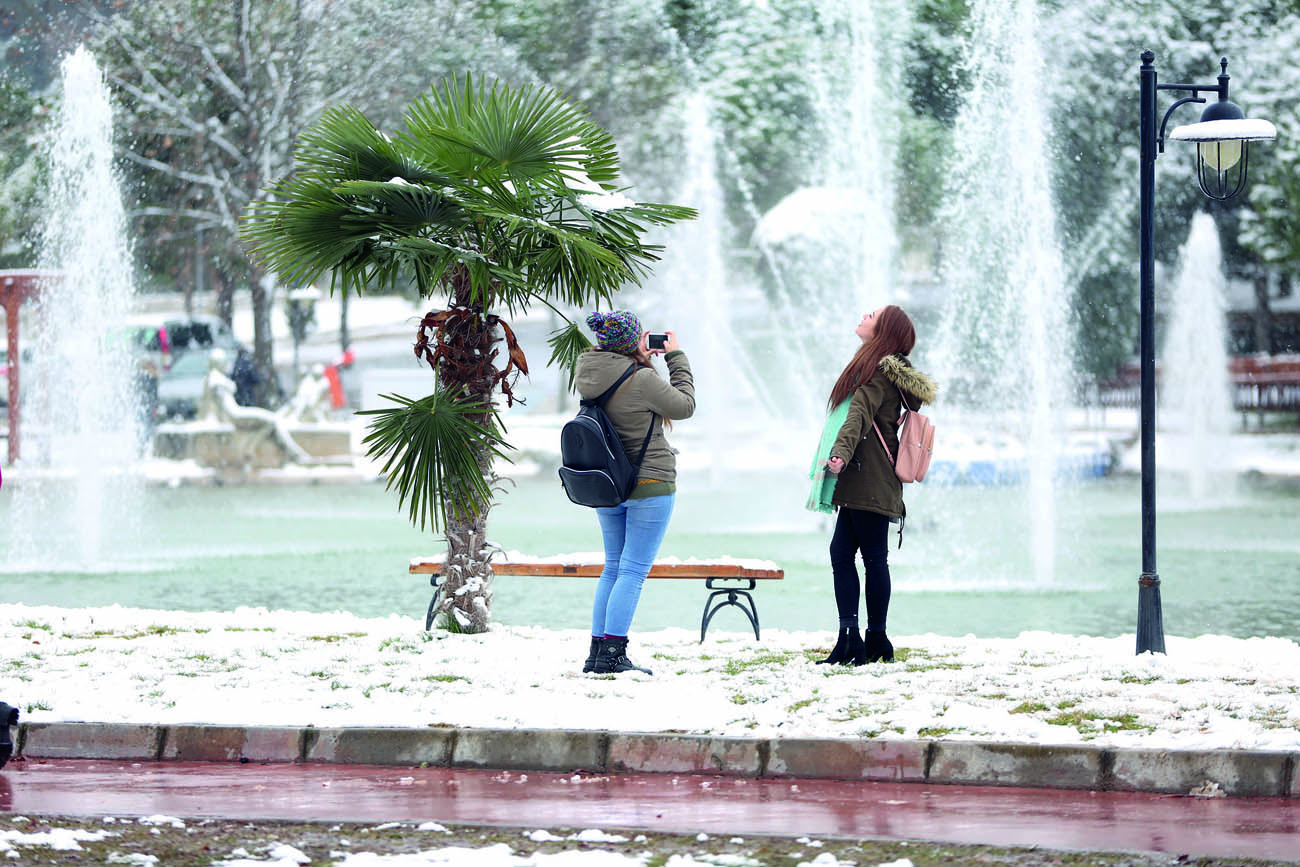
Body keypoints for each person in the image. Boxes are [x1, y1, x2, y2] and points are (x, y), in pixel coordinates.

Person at [574, 311, 695, 675]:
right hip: (649, 484)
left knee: (613, 568)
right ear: (632, 341)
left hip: (608, 484)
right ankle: (613, 655)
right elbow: (685, 406)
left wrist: (635, 356)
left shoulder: (588, 373)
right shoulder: (641, 378)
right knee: (633, 571)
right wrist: (676, 357)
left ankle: (597, 653)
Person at [815, 305, 936, 665]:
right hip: (868, 478)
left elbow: (858, 416)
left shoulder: (878, 374)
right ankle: (857, 638)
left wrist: (838, 454)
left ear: (884, 330)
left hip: (868, 477)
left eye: (872, 315)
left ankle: (869, 638)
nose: (863, 316)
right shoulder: (886, 372)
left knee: (869, 558)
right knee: (849, 555)